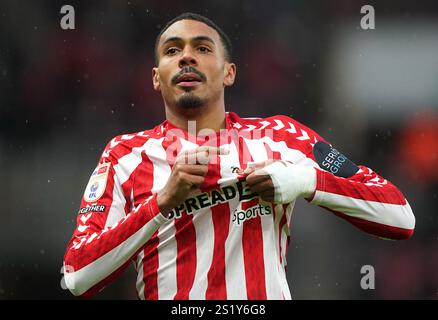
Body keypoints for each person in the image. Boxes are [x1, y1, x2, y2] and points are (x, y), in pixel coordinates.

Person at [63, 12, 415, 300]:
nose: (186, 56)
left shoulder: (282, 137)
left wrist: (303, 181)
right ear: (157, 78)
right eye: (172, 51)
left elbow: (400, 216)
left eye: (202, 48)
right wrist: (163, 203)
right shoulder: (125, 154)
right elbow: (77, 275)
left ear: (229, 72)